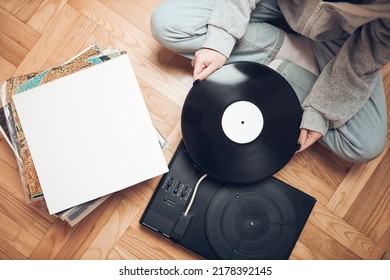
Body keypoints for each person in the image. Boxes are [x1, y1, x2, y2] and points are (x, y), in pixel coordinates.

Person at [150, 0, 390, 164]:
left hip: (346, 41)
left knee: (364, 145)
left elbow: (369, 49)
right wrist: (221, 37)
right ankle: (291, 50)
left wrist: (322, 112)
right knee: (167, 24)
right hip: (279, 4)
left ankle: (291, 54)